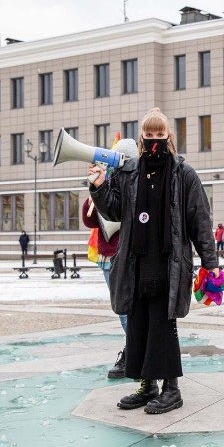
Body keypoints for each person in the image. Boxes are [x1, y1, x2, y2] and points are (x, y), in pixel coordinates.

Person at [89, 107, 219, 415]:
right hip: (136, 262)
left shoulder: (183, 173)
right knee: (138, 325)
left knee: (163, 325)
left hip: (168, 262)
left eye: (160, 135)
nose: (155, 140)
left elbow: (199, 218)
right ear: (142, 138)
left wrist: (209, 261)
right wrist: (99, 187)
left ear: (168, 136)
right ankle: (147, 385)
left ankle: (171, 388)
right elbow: (115, 211)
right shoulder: (129, 172)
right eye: (149, 135)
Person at [82, 138, 139, 380]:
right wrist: (95, 190)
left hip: (127, 253)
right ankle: (134, 350)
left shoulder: (135, 182)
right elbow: (90, 220)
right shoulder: (109, 181)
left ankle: (135, 352)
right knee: (122, 309)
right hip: (108, 255)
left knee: (130, 310)